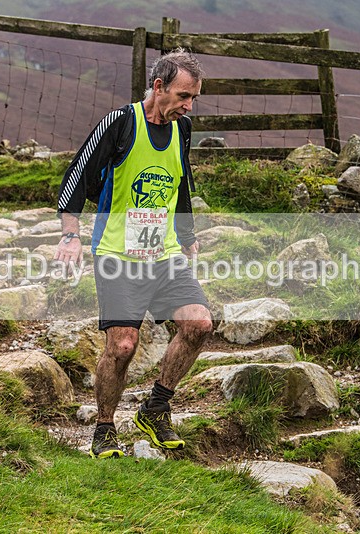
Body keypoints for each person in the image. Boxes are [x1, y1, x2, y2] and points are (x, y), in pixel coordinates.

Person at [55, 48, 213, 458]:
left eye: (193, 98)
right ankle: (105, 427)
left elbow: (180, 185)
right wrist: (70, 236)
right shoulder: (121, 122)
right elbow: (77, 175)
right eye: (182, 96)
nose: (188, 105)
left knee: (199, 324)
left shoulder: (183, 129)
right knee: (122, 346)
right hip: (117, 254)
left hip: (164, 253)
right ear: (159, 87)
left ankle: (156, 407)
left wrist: (188, 234)